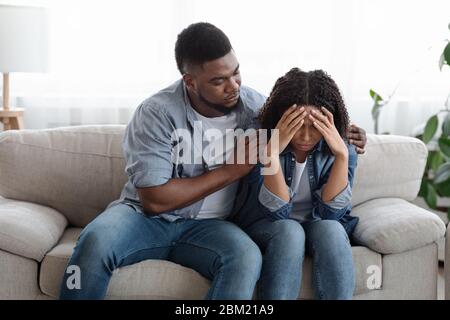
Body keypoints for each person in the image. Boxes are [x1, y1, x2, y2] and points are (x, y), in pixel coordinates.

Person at [59, 22, 367, 300]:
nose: (233, 86)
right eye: (219, 80)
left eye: (236, 73)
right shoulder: (156, 113)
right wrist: (232, 170)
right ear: (190, 82)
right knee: (96, 241)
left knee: (245, 257)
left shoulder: (254, 108)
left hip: (214, 227)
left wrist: (345, 130)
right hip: (144, 218)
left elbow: (301, 122)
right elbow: (154, 201)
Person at [231, 68, 359, 300]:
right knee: (290, 230)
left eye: (315, 128)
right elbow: (276, 212)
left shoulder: (342, 146)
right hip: (266, 224)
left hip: (317, 224)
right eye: (298, 126)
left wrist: (341, 155)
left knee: (332, 228)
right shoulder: (258, 140)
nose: (306, 137)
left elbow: (332, 213)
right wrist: (271, 153)